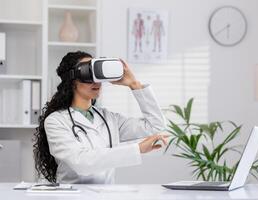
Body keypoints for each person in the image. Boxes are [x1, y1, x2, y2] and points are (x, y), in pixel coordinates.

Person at [33, 51, 167, 184]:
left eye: (97, 73)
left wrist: (134, 84)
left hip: (105, 195)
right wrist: (138, 149)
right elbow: (81, 163)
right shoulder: (56, 121)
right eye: (88, 73)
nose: (96, 81)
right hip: (73, 195)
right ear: (72, 80)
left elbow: (155, 125)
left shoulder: (109, 119)